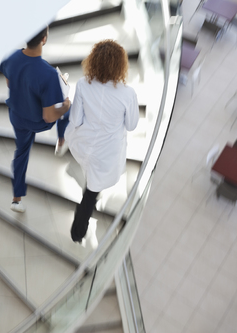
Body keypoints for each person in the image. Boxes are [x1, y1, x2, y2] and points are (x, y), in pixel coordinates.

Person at [65, 40, 139, 244]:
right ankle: (78, 231)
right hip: (107, 153)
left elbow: (76, 119)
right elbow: (131, 125)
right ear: (121, 66)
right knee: (90, 193)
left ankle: (80, 223)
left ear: (93, 61)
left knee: (90, 182)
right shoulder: (128, 94)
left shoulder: (82, 85)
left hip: (84, 145)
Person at [0, 26, 71, 213]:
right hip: (38, 122)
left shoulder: (10, 57)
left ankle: (16, 199)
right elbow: (48, 115)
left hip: (17, 117)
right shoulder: (48, 75)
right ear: (44, 39)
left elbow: (9, 80)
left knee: (21, 152)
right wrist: (64, 106)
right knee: (67, 110)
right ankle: (61, 140)